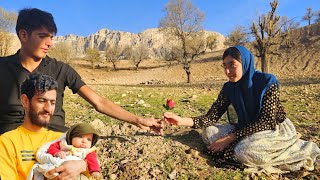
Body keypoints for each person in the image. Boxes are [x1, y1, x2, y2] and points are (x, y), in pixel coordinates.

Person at [0, 7, 162, 135]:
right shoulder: (2, 67)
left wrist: (138, 119)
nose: (49, 43)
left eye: (52, 37)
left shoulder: (61, 69)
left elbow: (99, 102)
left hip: (53, 140)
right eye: (43, 36)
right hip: (9, 140)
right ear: (23, 35)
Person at [164, 46, 320, 173]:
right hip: (245, 126)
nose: (227, 71)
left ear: (245, 63)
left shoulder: (267, 82)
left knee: (244, 151)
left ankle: (300, 150)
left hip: (273, 129)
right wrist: (181, 120)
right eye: (224, 66)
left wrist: (230, 137)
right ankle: (239, 148)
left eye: (232, 65)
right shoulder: (228, 88)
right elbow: (211, 116)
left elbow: (267, 121)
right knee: (209, 132)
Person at [0, 73, 87, 179]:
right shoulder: (8, 142)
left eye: (52, 102)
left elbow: (93, 170)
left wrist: (82, 165)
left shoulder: (63, 139)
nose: (48, 108)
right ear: (25, 101)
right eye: (42, 101)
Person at [29, 123, 101, 179]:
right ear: (71, 137)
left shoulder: (88, 151)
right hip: (59, 166)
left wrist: (94, 171)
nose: (84, 141)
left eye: (89, 139)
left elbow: (92, 161)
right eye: (80, 137)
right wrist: (57, 152)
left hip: (77, 174)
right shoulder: (64, 144)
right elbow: (51, 147)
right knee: (48, 169)